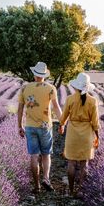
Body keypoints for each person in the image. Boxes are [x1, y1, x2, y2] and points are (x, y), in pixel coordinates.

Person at [18, 62, 62, 193]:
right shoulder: (50, 88)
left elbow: (20, 109)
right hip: (45, 126)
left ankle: (36, 186)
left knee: (33, 155)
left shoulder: (24, 88)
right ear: (44, 75)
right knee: (46, 154)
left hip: (30, 126)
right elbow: (56, 107)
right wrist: (62, 122)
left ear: (34, 74)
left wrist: (19, 126)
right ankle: (46, 178)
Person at [59, 72, 100, 198]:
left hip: (72, 133)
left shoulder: (70, 99)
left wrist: (61, 126)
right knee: (84, 164)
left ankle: (71, 190)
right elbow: (95, 122)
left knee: (71, 163)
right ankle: (81, 190)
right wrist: (97, 136)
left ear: (76, 86)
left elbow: (63, 117)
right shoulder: (93, 101)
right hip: (87, 134)